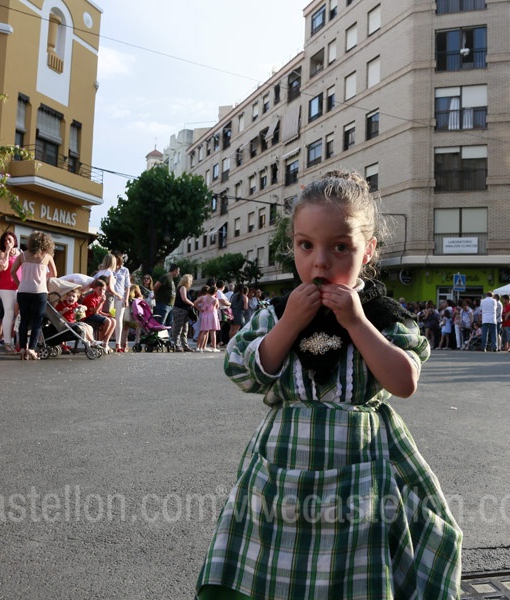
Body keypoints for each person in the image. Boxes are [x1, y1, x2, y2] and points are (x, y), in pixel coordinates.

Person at [197, 170, 461, 600]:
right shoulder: (276, 312)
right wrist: (289, 323)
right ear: (293, 245)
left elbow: (403, 381)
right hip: (282, 462)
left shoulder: (382, 315)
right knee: (274, 561)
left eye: (340, 247)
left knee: (350, 565)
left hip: (359, 464)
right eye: (306, 245)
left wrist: (356, 322)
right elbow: (242, 372)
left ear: (368, 250)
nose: (320, 262)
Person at [11, 231, 57, 360]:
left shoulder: (22, 255)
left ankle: (22, 349)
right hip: (39, 292)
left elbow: (13, 271)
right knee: (37, 321)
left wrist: (20, 284)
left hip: (23, 291)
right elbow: (54, 274)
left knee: (24, 320)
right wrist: (42, 276)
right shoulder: (47, 257)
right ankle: (31, 349)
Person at [0, 231, 21, 353]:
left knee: (19, 315)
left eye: (10, 240)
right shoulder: (1, 253)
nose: (7, 242)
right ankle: (7, 343)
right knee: (9, 313)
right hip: (6, 288)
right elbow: (4, 267)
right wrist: (7, 252)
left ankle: (19, 342)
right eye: (5, 240)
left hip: (19, 287)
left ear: (15, 240)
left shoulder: (20, 253)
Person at [81, 278, 116, 353]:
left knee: (113, 321)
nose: (102, 291)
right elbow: (94, 312)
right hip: (87, 317)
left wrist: (107, 314)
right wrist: (101, 302)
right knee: (107, 321)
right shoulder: (91, 297)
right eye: (100, 289)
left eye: (104, 289)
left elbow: (99, 311)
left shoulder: (100, 297)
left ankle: (105, 342)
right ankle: (101, 342)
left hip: (95, 315)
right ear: (95, 289)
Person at [111, 252, 131, 352]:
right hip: (110, 296)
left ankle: (118, 343)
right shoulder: (109, 269)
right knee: (109, 318)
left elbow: (127, 286)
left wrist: (126, 299)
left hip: (120, 297)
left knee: (118, 319)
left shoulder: (125, 270)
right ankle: (105, 341)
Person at [171, 274, 196, 351]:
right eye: (191, 281)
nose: (191, 282)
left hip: (184, 310)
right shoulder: (182, 288)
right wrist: (192, 304)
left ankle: (185, 345)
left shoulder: (184, 288)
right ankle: (176, 345)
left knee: (185, 329)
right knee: (178, 328)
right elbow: (184, 299)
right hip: (180, 310)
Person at [193, 285, 220, 352]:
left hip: (205, 314)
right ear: (215, 292)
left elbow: (195, 303)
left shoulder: (203, 297)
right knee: (213, 332)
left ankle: (200, 348)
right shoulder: (215, 299)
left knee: (204, 331)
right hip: (212, 314)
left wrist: (199, 309)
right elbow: (217, 307)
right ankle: (214, 347)